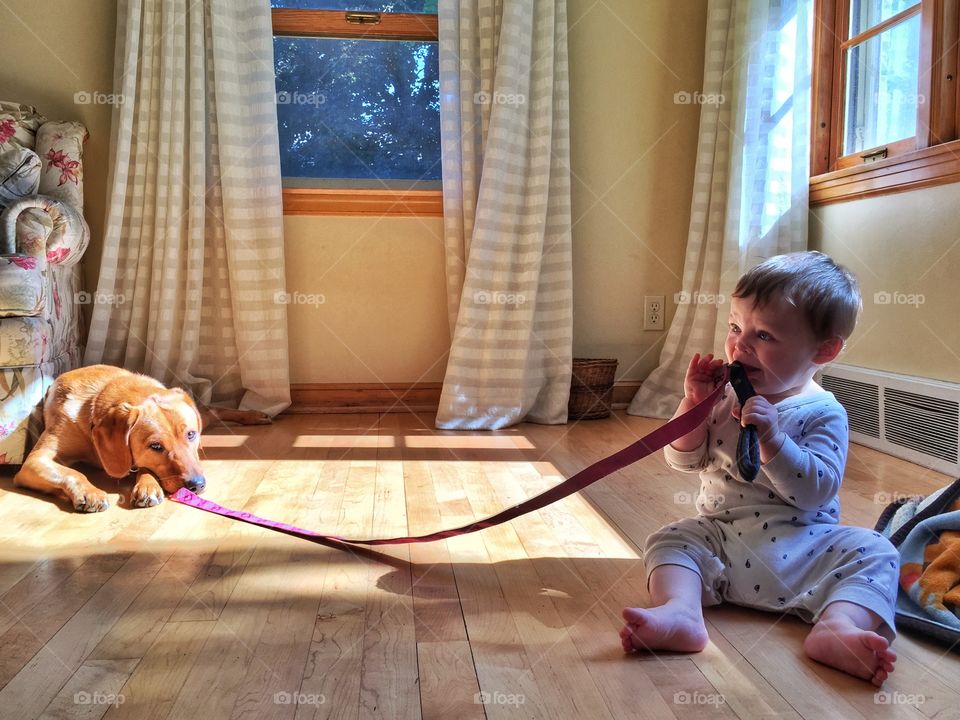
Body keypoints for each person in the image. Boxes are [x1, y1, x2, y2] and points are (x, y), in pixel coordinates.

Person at [620, 251, 899, 686]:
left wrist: (773, 439)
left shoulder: (824, 412)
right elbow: (684, 460)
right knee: (671, 538)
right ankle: (681, 611)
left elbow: (815, 491)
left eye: (764, 334)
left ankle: (838, 627)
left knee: (877, 550)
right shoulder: (724, 396)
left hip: (805, 549)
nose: (739, 345)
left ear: (824, 350)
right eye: (735, 327)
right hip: (721, 538)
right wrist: (692, 406)